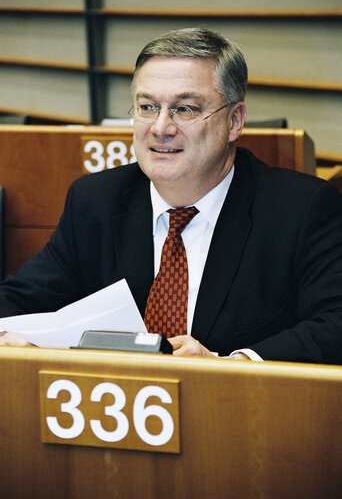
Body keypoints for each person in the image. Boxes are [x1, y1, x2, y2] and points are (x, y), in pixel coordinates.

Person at [1, 27, 342, 364]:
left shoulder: (301, 209)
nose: (161, 127)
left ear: (234, 121)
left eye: (185, 109)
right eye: (147, 107)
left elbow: (334, 323)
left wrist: (230, 365)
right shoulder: (96, 201)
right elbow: (19, 298)